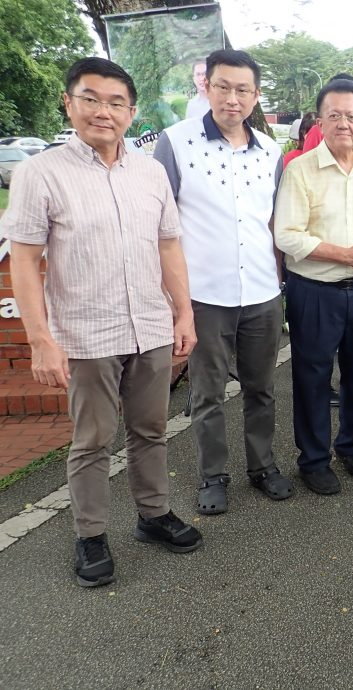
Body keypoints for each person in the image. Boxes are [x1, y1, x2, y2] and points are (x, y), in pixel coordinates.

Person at [1, 57, 203, 588]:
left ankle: (153, 514)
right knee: (93, 439)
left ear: (132, 113)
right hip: (88, 334)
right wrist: (40, 340)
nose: (103, 111)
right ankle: (90, 534)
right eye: (90, 99)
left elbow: (168, 245)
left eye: (116, 103)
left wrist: (183, 310)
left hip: (151, 328)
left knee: (151, 429)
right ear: (68, 103)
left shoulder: (150, 171)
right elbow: (24, 259)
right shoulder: (40, 173)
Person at [154, 49, 289, 515]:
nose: (233, 98)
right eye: (223, 87)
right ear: (206, 86)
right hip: (204, 295)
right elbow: (161, 225)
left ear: (255, 95)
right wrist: (175, 303)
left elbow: (272, 223)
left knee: (261, 387)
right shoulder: (175, 143)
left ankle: (263, 465)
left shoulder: (271, 151)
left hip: (262, 293)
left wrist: (281, 280)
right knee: (206, 393)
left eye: (243, 90)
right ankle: (213, 475)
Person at [274, 78, 353, 495]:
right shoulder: (301, 169)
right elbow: (286, 236)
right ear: (320, 120)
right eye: (334, 114)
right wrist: (344, 254)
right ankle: (314, 459)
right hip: (315, 292)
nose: (343, 122)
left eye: (351, 116)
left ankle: (352, 445)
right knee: (312, 378)